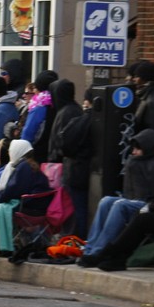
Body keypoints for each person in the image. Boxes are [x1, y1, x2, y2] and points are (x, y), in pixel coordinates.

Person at [77, 129, 154, 266]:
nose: (134, 152)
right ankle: (90, 249)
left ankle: (99, 251)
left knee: (120, 205)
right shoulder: (136, 162)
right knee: (106, 201)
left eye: (137, 149)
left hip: (150, 203)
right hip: (139, 201)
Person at [0, 139, 49, 256]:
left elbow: (12, 190)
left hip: (25, 206)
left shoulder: (23, 167)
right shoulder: (28, 165)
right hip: (32, 205)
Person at [47, 78, 91, 238]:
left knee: (72, 206)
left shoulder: (66, 113)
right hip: (71, 167)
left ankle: (74, 239)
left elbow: (64, 142)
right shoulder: (73, 110)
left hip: (70, 169)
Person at [20, 70, 58, 162]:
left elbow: (28, 134)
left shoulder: (39, 107)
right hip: (55, 157)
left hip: (38, 157)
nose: (34, 90)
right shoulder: (59, 102)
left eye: (35, 87)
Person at [132, 61, 154, 138]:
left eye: (137, 76)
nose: (134, 79)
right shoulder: (144, 96)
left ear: (144, 78)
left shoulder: (153, 100)